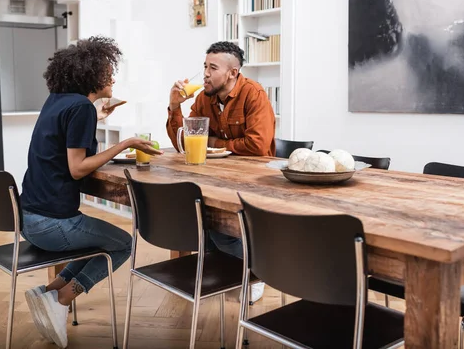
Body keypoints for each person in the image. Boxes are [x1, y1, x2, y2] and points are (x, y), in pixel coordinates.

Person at [20, 36, 163, 348]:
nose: (112, 77)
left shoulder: (59, 100)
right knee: (123, 245)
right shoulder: (80, 107)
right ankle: (61, 299)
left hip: (29, 218)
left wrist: (94, 118)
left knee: (102, 244)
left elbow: (62, 141)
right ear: (91, 74)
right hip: (52, 224)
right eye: (108, 70)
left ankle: (49, 292)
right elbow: (77, 168)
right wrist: (125, 143)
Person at [165, 41, 274, 302]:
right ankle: (231, 268)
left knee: (217, 226)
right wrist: (174, 106)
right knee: (201, 218)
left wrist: (213, 142)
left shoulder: (254, 94)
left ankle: (255, 271)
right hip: (217, 178)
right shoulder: (204, 97)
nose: (204, 73)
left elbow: (257, 146)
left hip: (255, 182)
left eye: (212, 68)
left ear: (232, 73)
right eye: (204, 66)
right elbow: (182, 142)